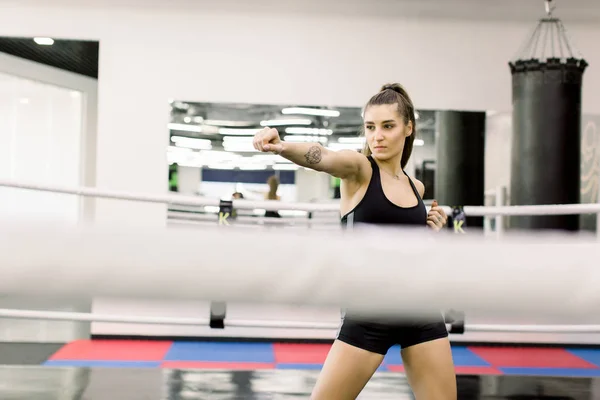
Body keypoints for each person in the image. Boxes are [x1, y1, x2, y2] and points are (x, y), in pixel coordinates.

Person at [253, 83, 455, 399]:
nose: (377, 136)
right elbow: (323, 156)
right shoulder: (359, 170)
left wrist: (429, 232)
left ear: (408, 128)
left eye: (388, 126)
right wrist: (282, 146)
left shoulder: (416, 187)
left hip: (420, 310)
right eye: (371, 127)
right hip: (368, 313)